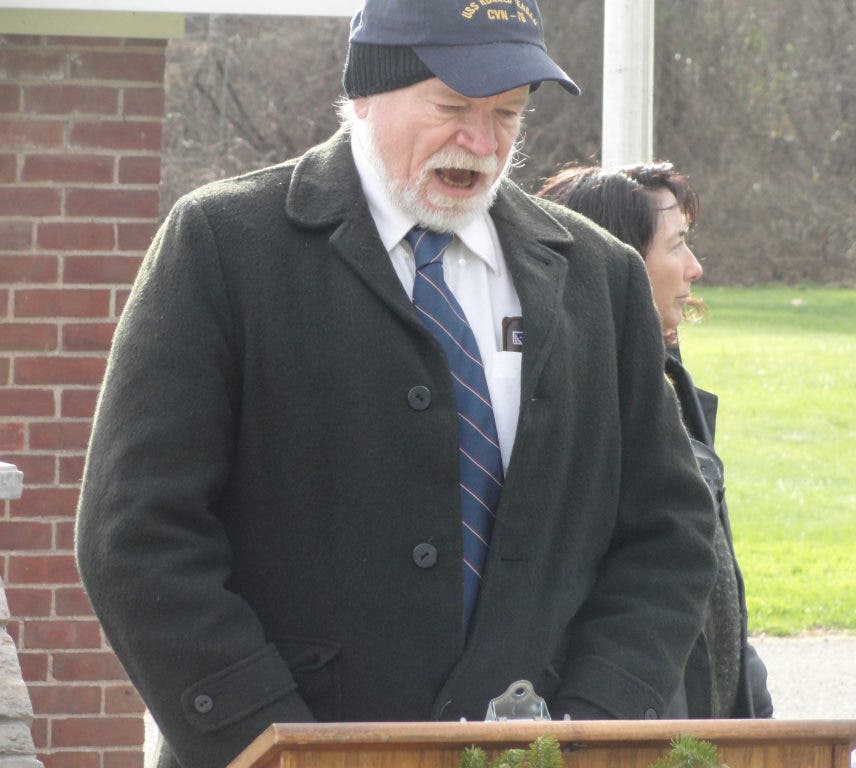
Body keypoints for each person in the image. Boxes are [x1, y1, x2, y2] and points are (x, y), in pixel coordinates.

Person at [74, 3, 719, 767]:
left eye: (507, 114)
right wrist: (278, 747)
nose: (482, 144)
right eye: (451, 107)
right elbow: (137, 536)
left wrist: (584, 731)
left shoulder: (601, 276)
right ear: (366, 91)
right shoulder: (222, 247)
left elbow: (669, 534)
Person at [536, 163, 774, 719]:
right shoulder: (575, 405)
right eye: (677, 246)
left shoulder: (665, 378)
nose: (694, 267)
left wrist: (751, 706)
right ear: (615, 259)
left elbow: (713, 602)